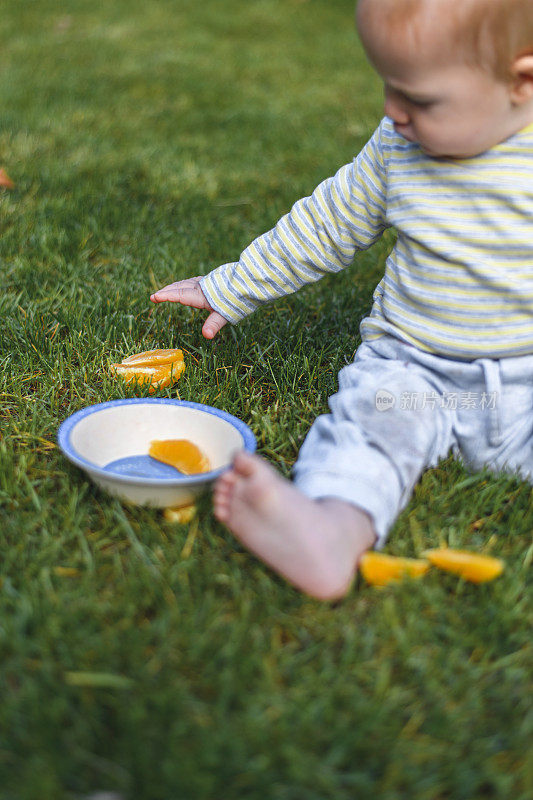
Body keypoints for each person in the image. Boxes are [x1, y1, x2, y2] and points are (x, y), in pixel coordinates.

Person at [150, 0, 533, 600]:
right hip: (415, 372)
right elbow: (329, 222)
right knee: (367, 432)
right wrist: (234, 284)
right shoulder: (397, 148)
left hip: (526, 377)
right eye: (387, 86)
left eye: (419, 99)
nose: (392, 111)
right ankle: (330, 530)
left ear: (521, 81)